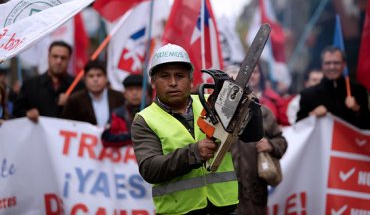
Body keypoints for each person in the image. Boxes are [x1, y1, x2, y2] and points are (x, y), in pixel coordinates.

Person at [131, 43, 264, 215]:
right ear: (153, 81)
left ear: (191, 80)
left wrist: (248, 105)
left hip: (224, 208)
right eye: (165, 76)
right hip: (178, 212)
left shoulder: (214, 103)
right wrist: (194, 153)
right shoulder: (145, 119)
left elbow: (253, 135)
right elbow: (150, 169)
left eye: (180, 76)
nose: (173, 82)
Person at [296, 46, 370, 129]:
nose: (332, 67)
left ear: (344, 65)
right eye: (328, 63)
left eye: (336, 63)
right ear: (322, 65)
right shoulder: (308, 94)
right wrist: (312, 114)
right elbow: (298, 128)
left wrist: (357, 109)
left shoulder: (358, 90)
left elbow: (367, 127)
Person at [231, 105, 287, 214]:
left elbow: (282, 142)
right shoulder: (219, 112)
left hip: (254, 193)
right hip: (226, 194)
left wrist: (271, 145)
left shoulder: (263, 113)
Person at [13, 41, 84, 122]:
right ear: (48, 57)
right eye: (55, 56)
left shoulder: (79, 86)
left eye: (63, 58)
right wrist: (27, 113)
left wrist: (71, 103)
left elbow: (87, 116)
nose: (58, 61)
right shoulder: (30, 85)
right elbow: (16, 112)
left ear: (69, 59)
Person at [61, 60, 124, 126]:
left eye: (99, 75)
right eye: (91, 76)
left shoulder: (119, 97)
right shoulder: (74, 100)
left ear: (106, 78)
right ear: (85, 79)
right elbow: (66, 125)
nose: (95, 80)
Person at [101, 74, 152, 147]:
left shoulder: (154, 113)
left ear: (146, 93)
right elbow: (106, 139)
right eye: (130, 90)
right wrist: (131, 136)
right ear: (124, 94)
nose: (134, 93)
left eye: (138, 89)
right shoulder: (117, 114)